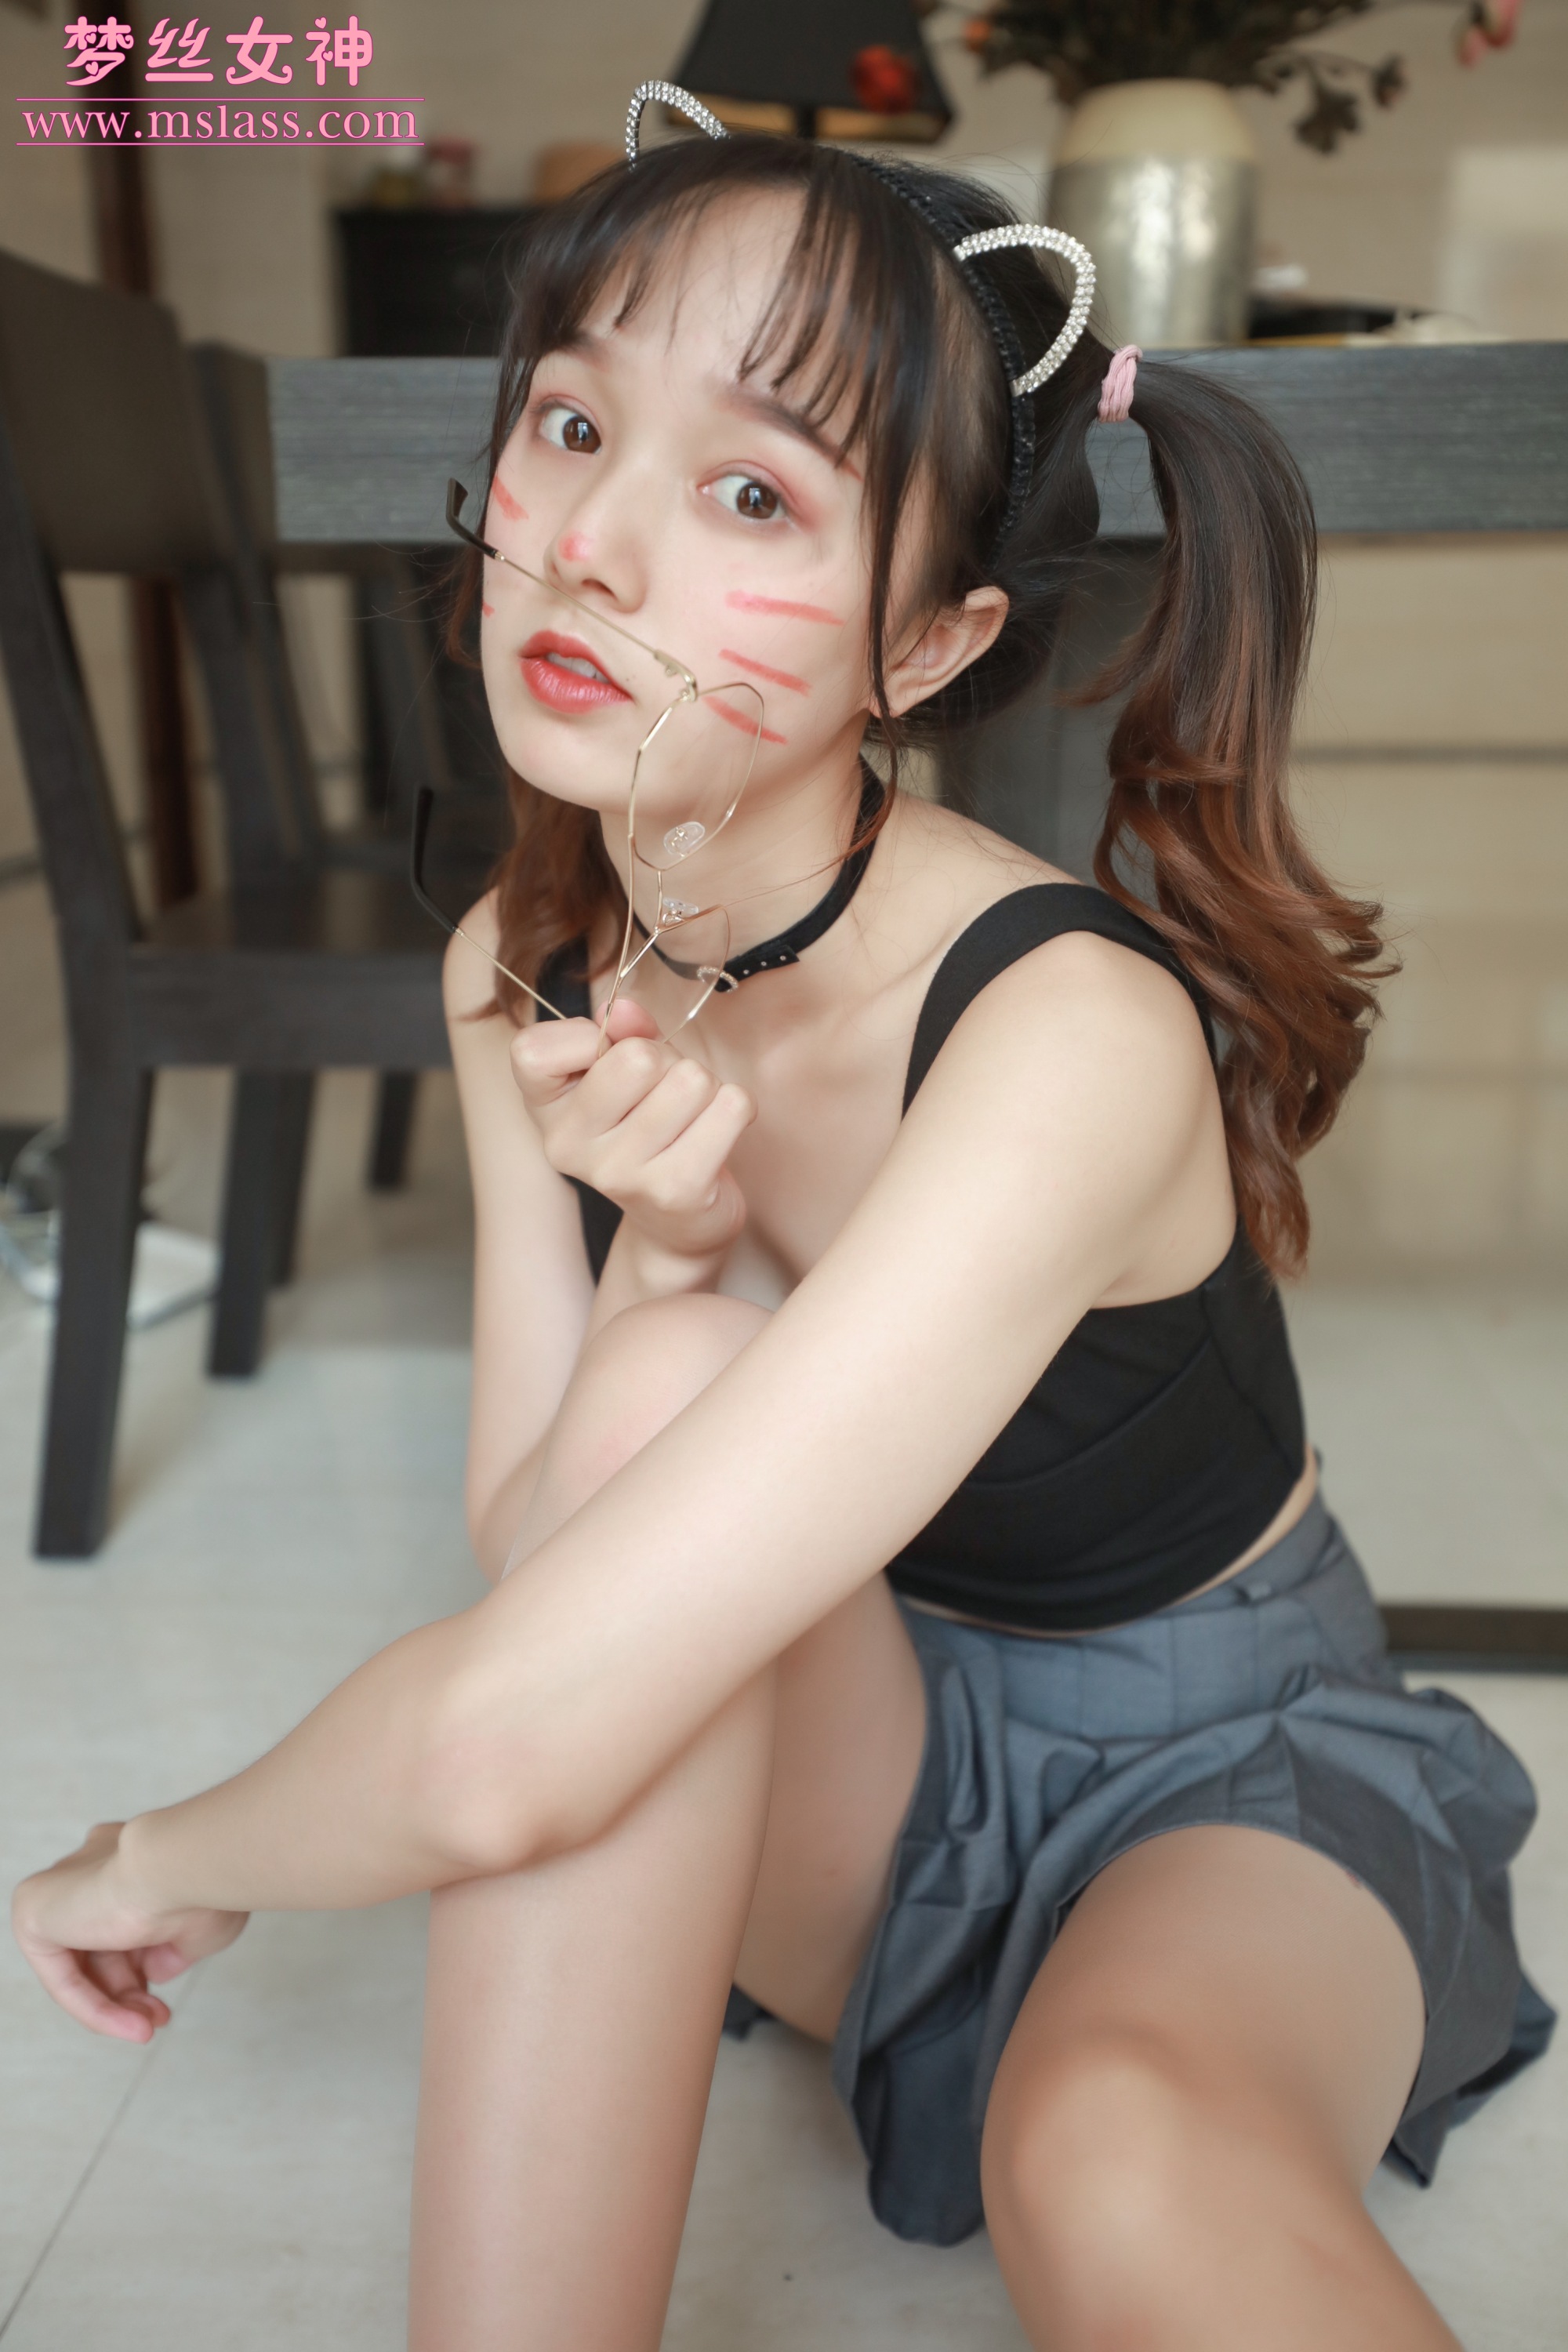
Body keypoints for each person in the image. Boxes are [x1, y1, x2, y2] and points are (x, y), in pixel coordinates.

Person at [13, 99, 1552, 2352]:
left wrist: (160, 1856)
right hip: (855, 1740)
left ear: (925, 647)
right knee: (660, 1388)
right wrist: (669, 1249)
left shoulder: (1061, 1028)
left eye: (753, 494)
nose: (592, 547)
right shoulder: (519, 962)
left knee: (1114, 2153)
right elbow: (545, 1550)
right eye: (571, 426)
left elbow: (515, 1742)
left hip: (1216, 1772)